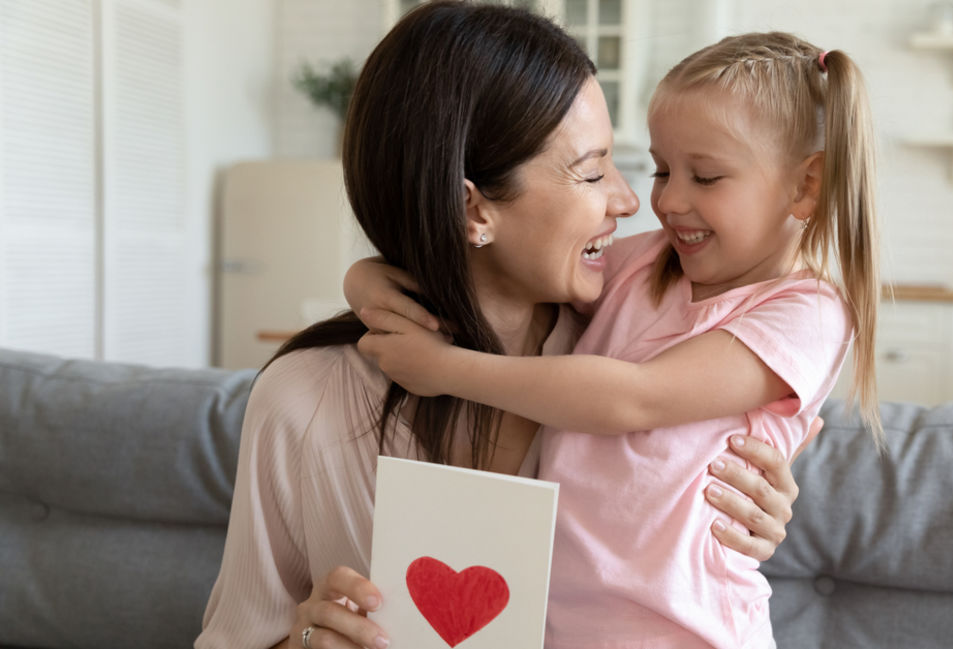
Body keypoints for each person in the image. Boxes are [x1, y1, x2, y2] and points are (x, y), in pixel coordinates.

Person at [195, 5, 808, 649]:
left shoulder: (630, 350)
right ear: (473, 208)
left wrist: (754, 505)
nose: (630, 203)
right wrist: (304, 643)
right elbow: (235, 635)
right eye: (593, 171)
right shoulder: (303, 401)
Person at [351, 31, 883, 649]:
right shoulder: (648, 263)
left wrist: (444, 368)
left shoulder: (806, 313)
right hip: (559, 625)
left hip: (686, 632)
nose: (667, 200)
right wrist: (365, 277)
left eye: (706, 177)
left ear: (806, 186)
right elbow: (518, 272)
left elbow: (633, 399)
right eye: (662, 169)